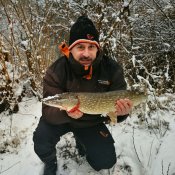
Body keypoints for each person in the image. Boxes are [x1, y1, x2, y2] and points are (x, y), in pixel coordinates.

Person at [33, 15, 133, 175]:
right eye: (80, 47)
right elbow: (48, 110)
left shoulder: (112, 70)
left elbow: (116, 108)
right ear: (70, 48)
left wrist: (122, 114)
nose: (86, 53)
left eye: (91, 47)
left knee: (106, 161)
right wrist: (68, 113)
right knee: (41, 138)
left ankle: (82, 141)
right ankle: (50, 161)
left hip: (91, 122)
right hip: (62, 118)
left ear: (97, 48)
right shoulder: (56, 70)